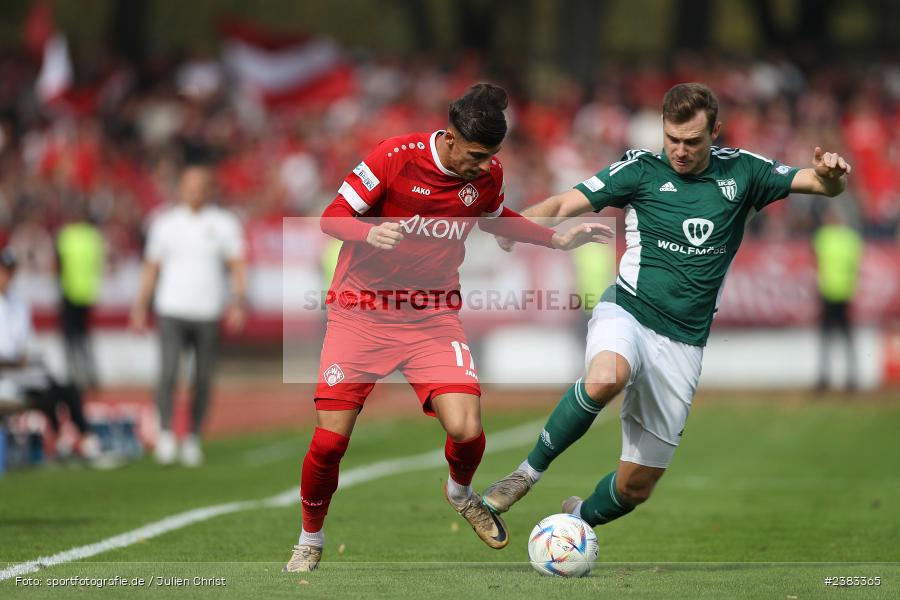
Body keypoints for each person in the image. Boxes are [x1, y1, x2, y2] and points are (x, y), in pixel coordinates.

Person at [482, 83, 852, 535]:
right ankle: (525, 474)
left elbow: (821, 185)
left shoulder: (745, 172)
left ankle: (574, 522)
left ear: (715, 132)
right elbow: (565, 202)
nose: (679, 151)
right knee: (606, 376)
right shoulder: (640, 169)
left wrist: (831, 174)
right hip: (629, 310)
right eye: (672, 139)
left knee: (636, 487)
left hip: (684, 343)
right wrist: (517, 225)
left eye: (693, 142)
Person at [284, 83, 611, 573]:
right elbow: (332, 218)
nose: (484, 166)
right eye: (477, 156)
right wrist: (369, 230)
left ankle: (460, 491)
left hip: (431, 316)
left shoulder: (486, 173)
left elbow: (496, 220)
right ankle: (310, 538)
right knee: (330, 442)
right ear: (451, 139)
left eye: (491, 158)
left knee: (467, 428)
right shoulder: (394, 157)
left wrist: (555, 240)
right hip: (361, 312)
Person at [130, 160, 247, 467]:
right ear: (181, 189)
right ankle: (167, 434)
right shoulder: (164, 223)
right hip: (172, 308)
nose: (194, 192)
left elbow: (236, 265)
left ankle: (193, 436)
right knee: (168, 372)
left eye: (200, 186)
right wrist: (140, 305)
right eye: (189, 186)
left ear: (209, 190)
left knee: (203, 377)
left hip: (208, 310)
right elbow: (151, 267)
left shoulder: (224, 223)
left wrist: (237, 301)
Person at [0, 248, 100, 459]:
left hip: (20, 371)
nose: (6, 277)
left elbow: (26, 342)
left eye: (9, 271)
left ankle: (84, 439)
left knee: (67, 389)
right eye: (2, 271)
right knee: (48, 391)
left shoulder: (19, 304)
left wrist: (23, 360)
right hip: (4, 374)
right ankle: (59, 442)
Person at [813, 205, 863, 391]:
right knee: (841, 338)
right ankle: (846, 378)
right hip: (839, 293)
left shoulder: (824, 237)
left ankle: (833, 378)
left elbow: (816, 263)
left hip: (835, 293)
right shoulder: (850, 238)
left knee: (832, 338)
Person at [56, 207, 105, 390]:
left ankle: (73, 377)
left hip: (69, 291)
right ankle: (90, 376)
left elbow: (58, 264)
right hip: (87, 293)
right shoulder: (94, 236)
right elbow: (98, 264)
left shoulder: (66, 235)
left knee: (70, 338)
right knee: (84, 337)